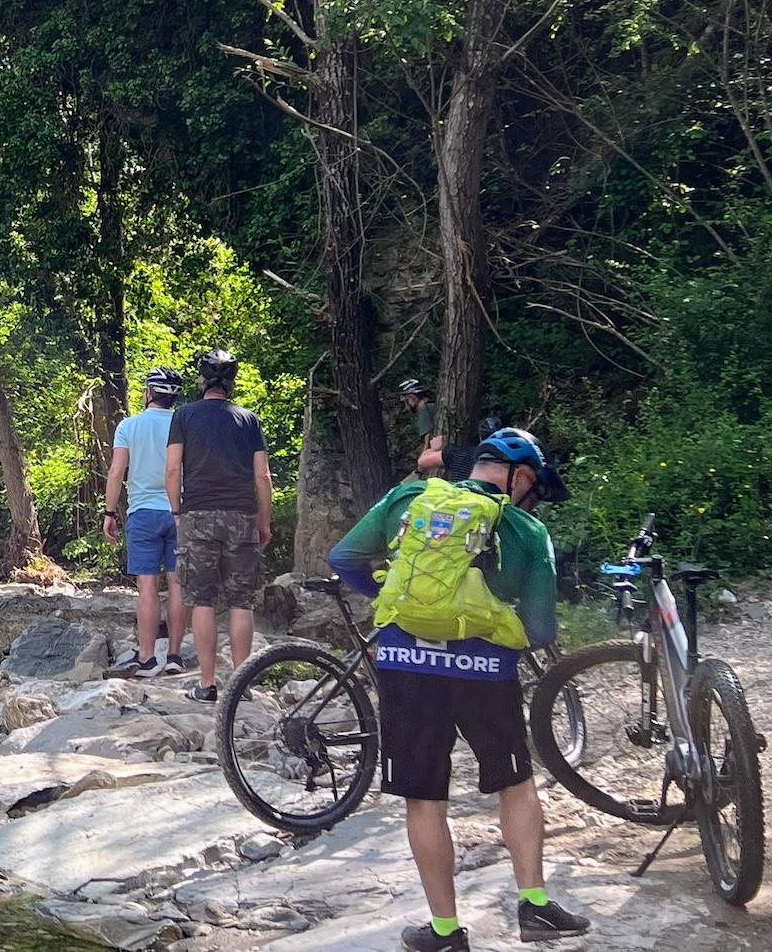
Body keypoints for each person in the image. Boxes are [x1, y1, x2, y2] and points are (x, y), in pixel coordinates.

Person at [328, 428, 588, 950]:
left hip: (405, 662)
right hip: (487, 671)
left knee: (424, 799)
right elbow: (540, 631)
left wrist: (394, 597)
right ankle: (534, 906)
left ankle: (446, 932)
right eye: (531, 486)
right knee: (515, 785)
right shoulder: (527, 531)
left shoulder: (408, 499)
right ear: (519, 477)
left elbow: (343, 557)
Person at [165, 349, 270, 703]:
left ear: (202, 380)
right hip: (242, 516)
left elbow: (172, 469)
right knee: (242, 601)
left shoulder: (184, 415)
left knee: (203, 600)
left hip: (197, 515)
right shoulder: (249, 419)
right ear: (231, 383)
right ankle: (241, 687)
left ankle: (208, 685)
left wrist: (178, 511)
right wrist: (264, 521)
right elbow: (263, 477)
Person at [103, 367, 188, 676]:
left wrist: (109, 513)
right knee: (178, 583)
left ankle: (148, 658)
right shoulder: (184, 423)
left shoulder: (129, 425)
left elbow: (116, 472)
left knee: (147, 586)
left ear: (149, 393)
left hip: (142, 513)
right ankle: (176, 656)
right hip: (181, 512)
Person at [400, 379, 445, 474]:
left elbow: (428, 441)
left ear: (412, 398)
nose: (405, 406)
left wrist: (419, 468)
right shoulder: (434, 405)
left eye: (405, 401)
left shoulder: (424, 411)